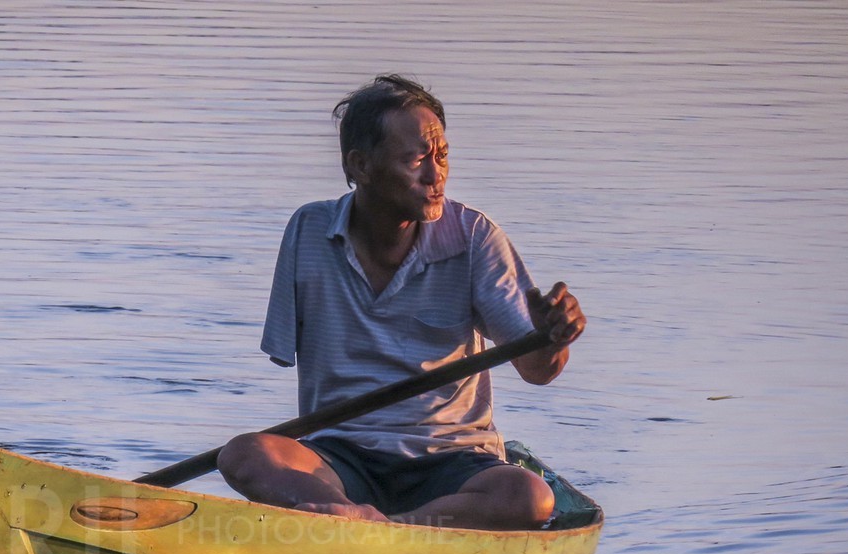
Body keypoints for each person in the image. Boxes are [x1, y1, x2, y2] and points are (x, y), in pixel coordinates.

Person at [218, 75, 586, 530]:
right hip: (338, 460)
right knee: (243, 453)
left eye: (442, 157)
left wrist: (552, 339)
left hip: (450, 461)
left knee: (529, 496)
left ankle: (387, 527)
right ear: (361, 165)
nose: (436, 176)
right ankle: (355, 515)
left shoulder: (474, 238)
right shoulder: (308, 232)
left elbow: (538, 370)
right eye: (416, 159)